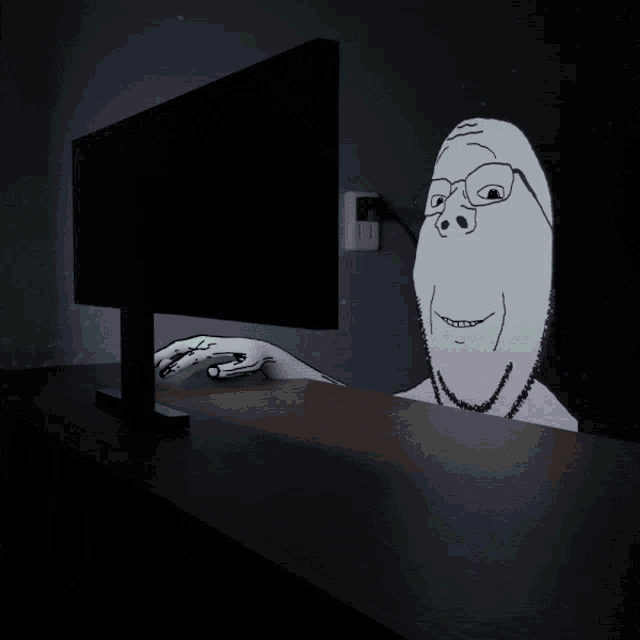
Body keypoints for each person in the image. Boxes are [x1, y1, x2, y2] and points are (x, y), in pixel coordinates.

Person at [155, 118, 578, 433]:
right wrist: (268, 355)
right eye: (438, 200)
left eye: (491, 192)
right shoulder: (424, 406)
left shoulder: (560, 437)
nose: (451, 215)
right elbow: (363, 419)